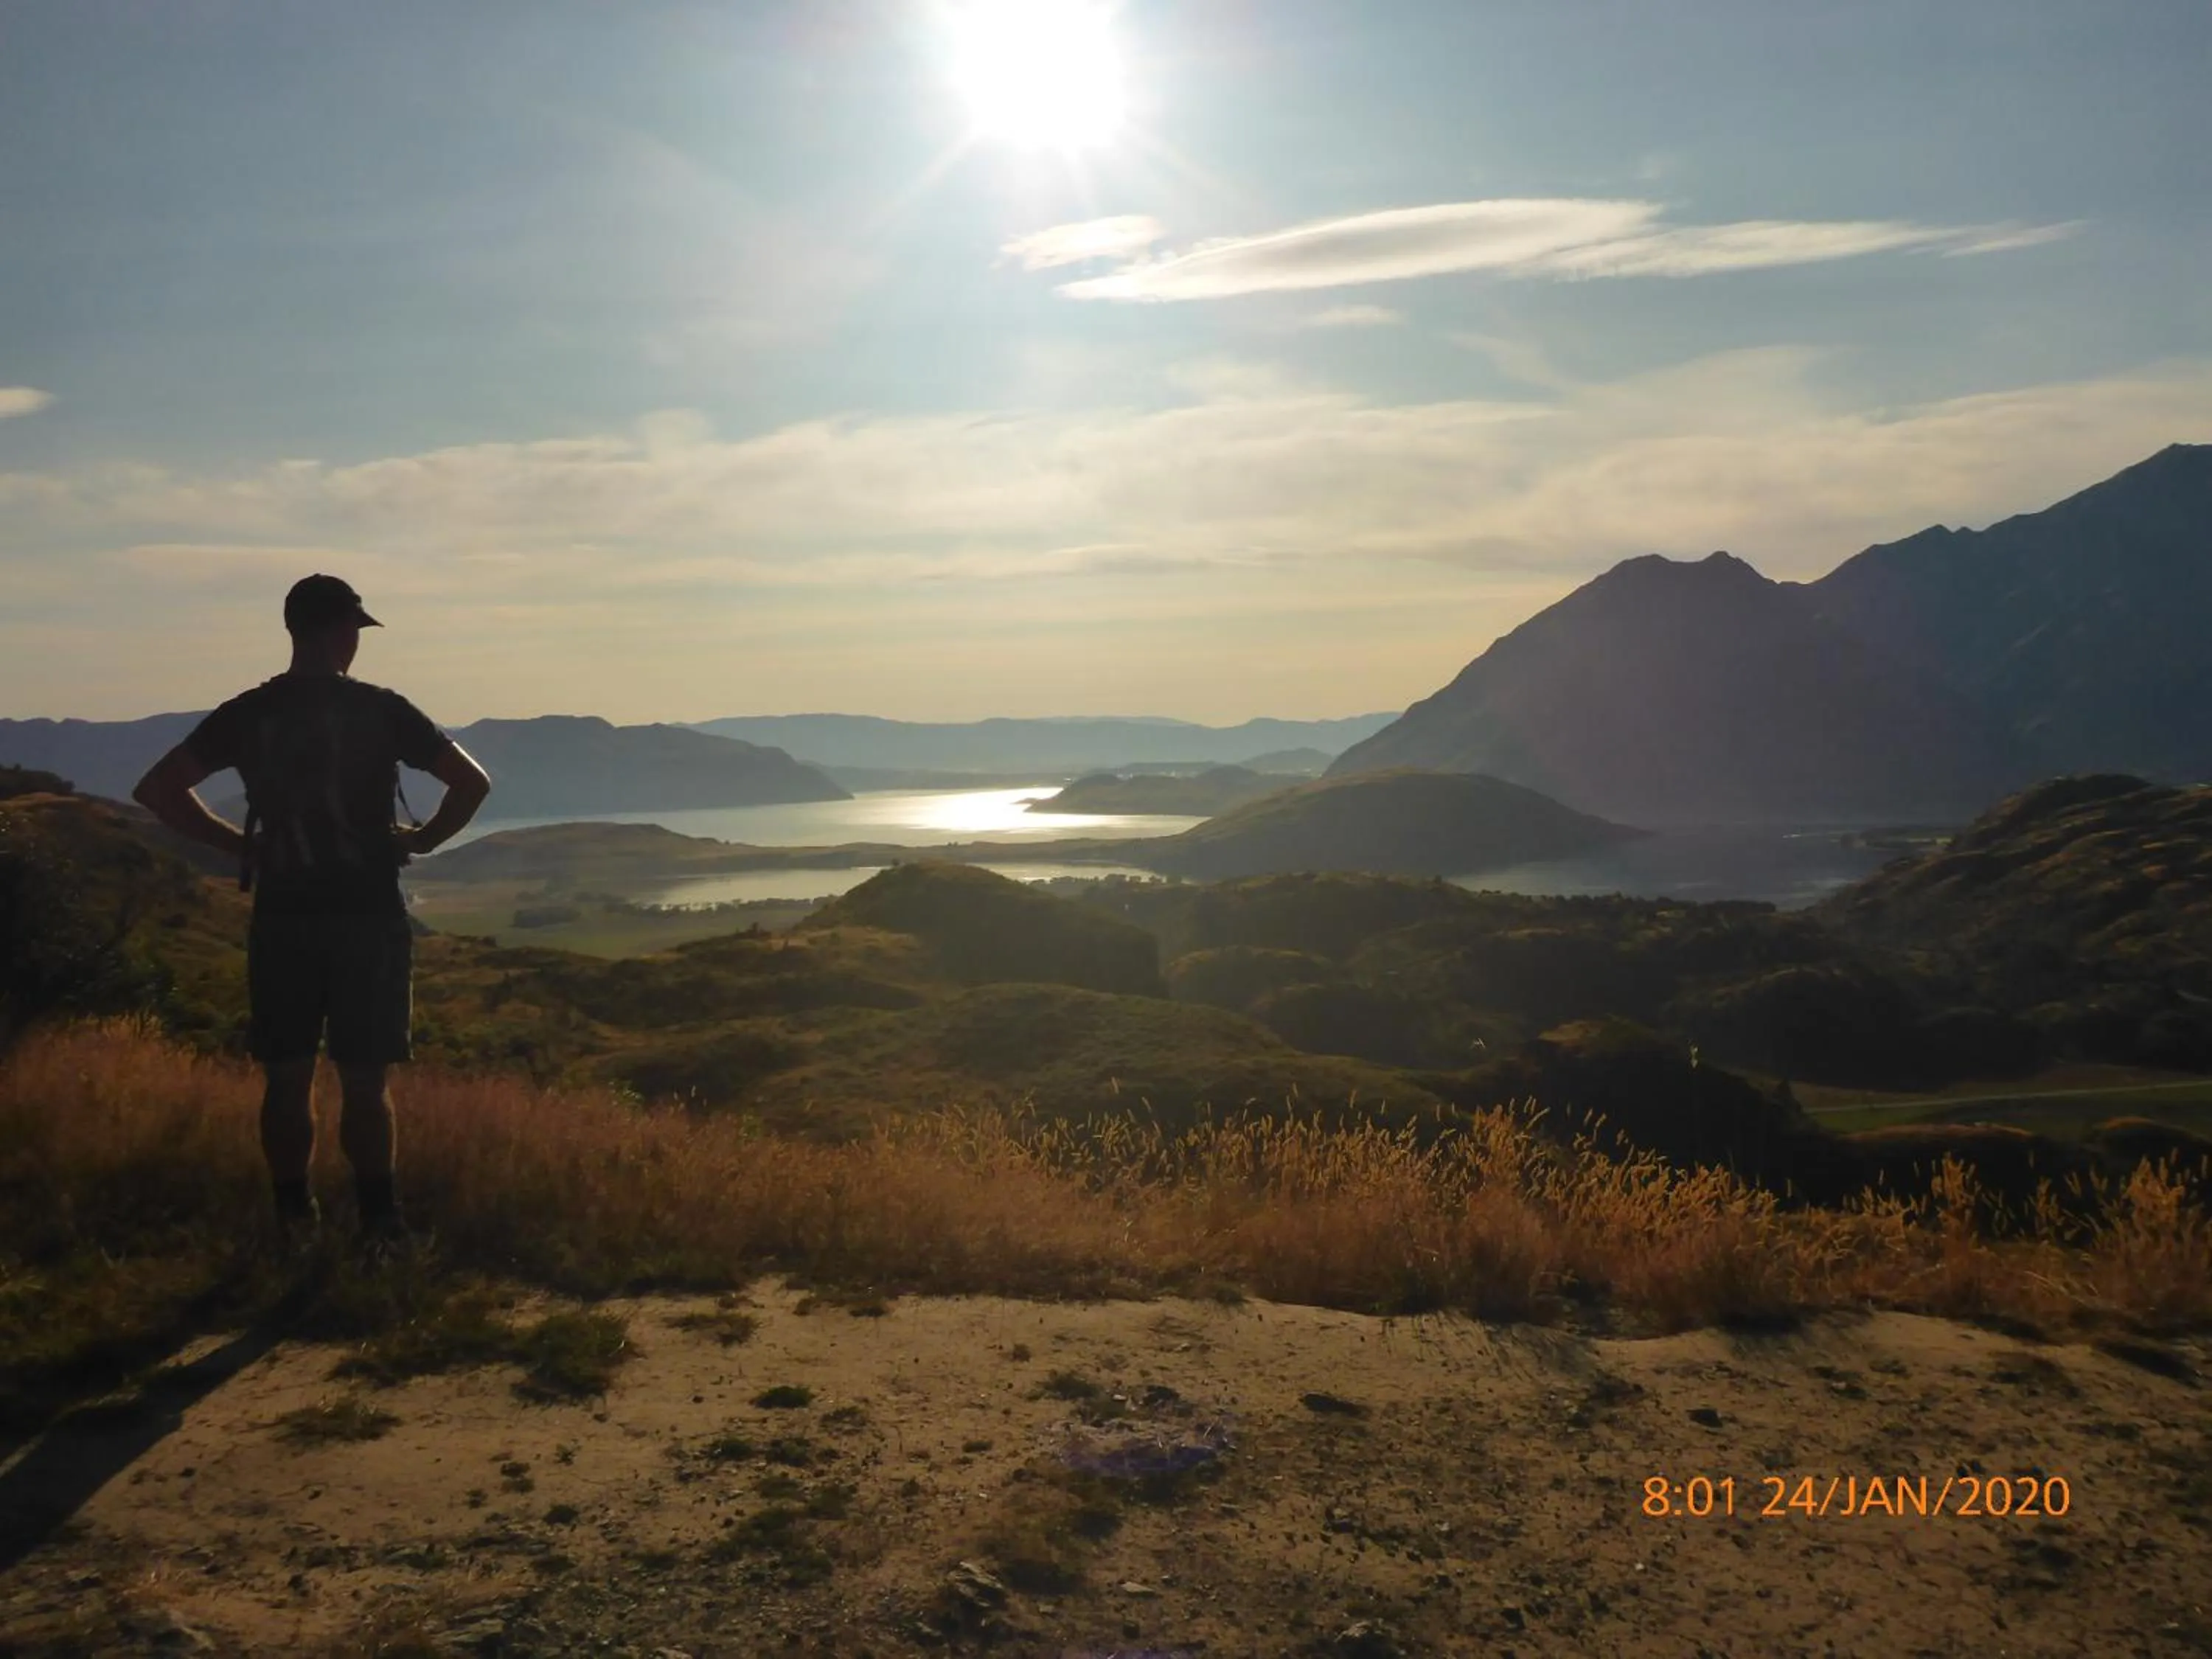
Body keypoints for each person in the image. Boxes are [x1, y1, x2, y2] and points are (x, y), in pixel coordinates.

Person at [131, 574, 493, 1245]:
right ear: (339, 631)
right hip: (367, 914)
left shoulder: (247, 712)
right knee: (364, 1079)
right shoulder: (382, 709)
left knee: (288, 1075)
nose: (357, 642)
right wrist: (423, 841)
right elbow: (473, 783)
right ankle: (381, 1226)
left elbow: (157, 789)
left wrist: (243, 846)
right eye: (356, 630)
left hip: (283, 916)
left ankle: (294, 1220)